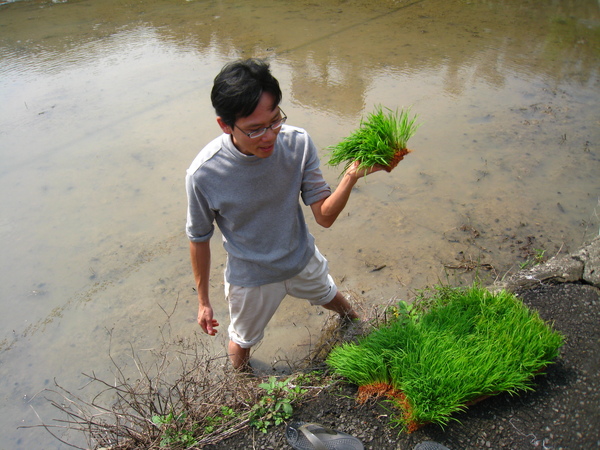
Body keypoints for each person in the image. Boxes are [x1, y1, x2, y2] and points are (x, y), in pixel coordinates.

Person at [185, 58, 383, 370]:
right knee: (241, 344)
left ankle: (357, 325)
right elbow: (198, 238)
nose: (269, 136)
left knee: (333, 296)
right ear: (225, 125)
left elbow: (325, 217)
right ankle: (243, 389)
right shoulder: (204, 174)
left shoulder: (298, 143)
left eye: (275, 120)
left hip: (300, 258)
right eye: (255, 129)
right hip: (252, 277)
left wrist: (351, 176)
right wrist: (204, 303)